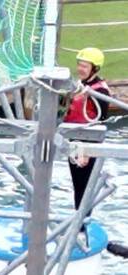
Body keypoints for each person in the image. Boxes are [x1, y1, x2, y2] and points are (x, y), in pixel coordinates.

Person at [65, 48, 110, 239]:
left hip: (88, 143)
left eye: (84, 66)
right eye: (79, 65)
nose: (80, 69)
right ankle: (79, 222)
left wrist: (89, 150)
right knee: (77, 185)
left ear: (94, 68)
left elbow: (101, 117)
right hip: (74, 139)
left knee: (84, 187)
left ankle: (82, 226)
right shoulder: (80, 85)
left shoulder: (100, 90)